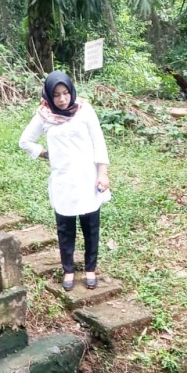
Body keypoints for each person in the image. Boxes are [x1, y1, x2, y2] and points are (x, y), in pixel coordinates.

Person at [19, 71, 110, 291]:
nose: (62, 99)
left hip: (87, 177)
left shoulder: (84, 109)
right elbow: (25, 141)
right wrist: (45, 153)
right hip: (63, 179)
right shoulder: (44, 115)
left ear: (71, 91)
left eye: (65, 93)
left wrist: (102, 173)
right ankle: (68, 269)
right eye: (57, 95)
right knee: (65, 227)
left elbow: (99, 141)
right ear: (50, 96)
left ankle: (90, 269)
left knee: (91, 226)